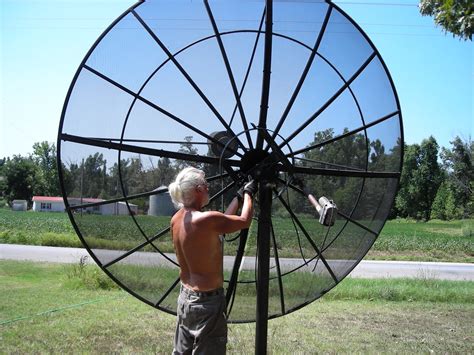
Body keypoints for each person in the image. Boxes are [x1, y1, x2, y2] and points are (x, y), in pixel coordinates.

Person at [168, 167, 256, 355]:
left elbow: (220, 225)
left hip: (185, 299)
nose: (209, 188)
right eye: (206, 185)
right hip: (207, 303)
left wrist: (238, 197)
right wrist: (250, 192)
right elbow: (244, 220)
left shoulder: (176, 219)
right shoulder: (206, 219)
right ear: (198, 189)